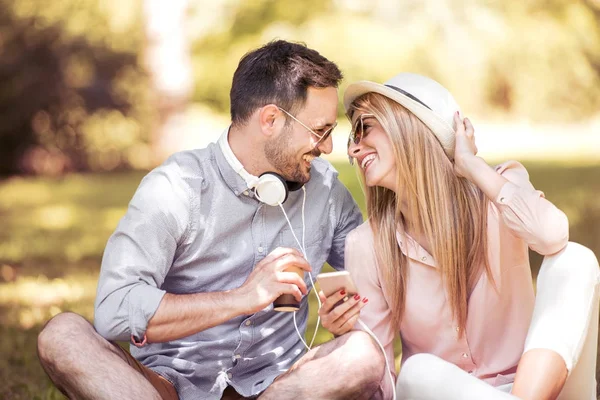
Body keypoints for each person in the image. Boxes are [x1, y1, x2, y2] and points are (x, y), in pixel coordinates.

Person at [36, 40, 387, 400]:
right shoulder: (175, 188)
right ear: (270, 119)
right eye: (320, 131)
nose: (327, 147)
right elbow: (115, 310)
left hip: (280, 388)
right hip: (167, 387)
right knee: (62, 336)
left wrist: (343, 314)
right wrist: (242, 298)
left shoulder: (324, 190)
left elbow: (382, 278)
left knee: (362, 354)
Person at [321, 72, 600, 400]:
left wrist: (470, 164)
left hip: (542, 387)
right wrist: (352, 340)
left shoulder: (497, 195)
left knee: (575, 260)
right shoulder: (366, 246)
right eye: (352, 134)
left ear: (409, 125)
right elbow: (383, 383)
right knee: (417, 371)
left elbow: (553, 235)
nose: (353, 148)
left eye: (363, 127)